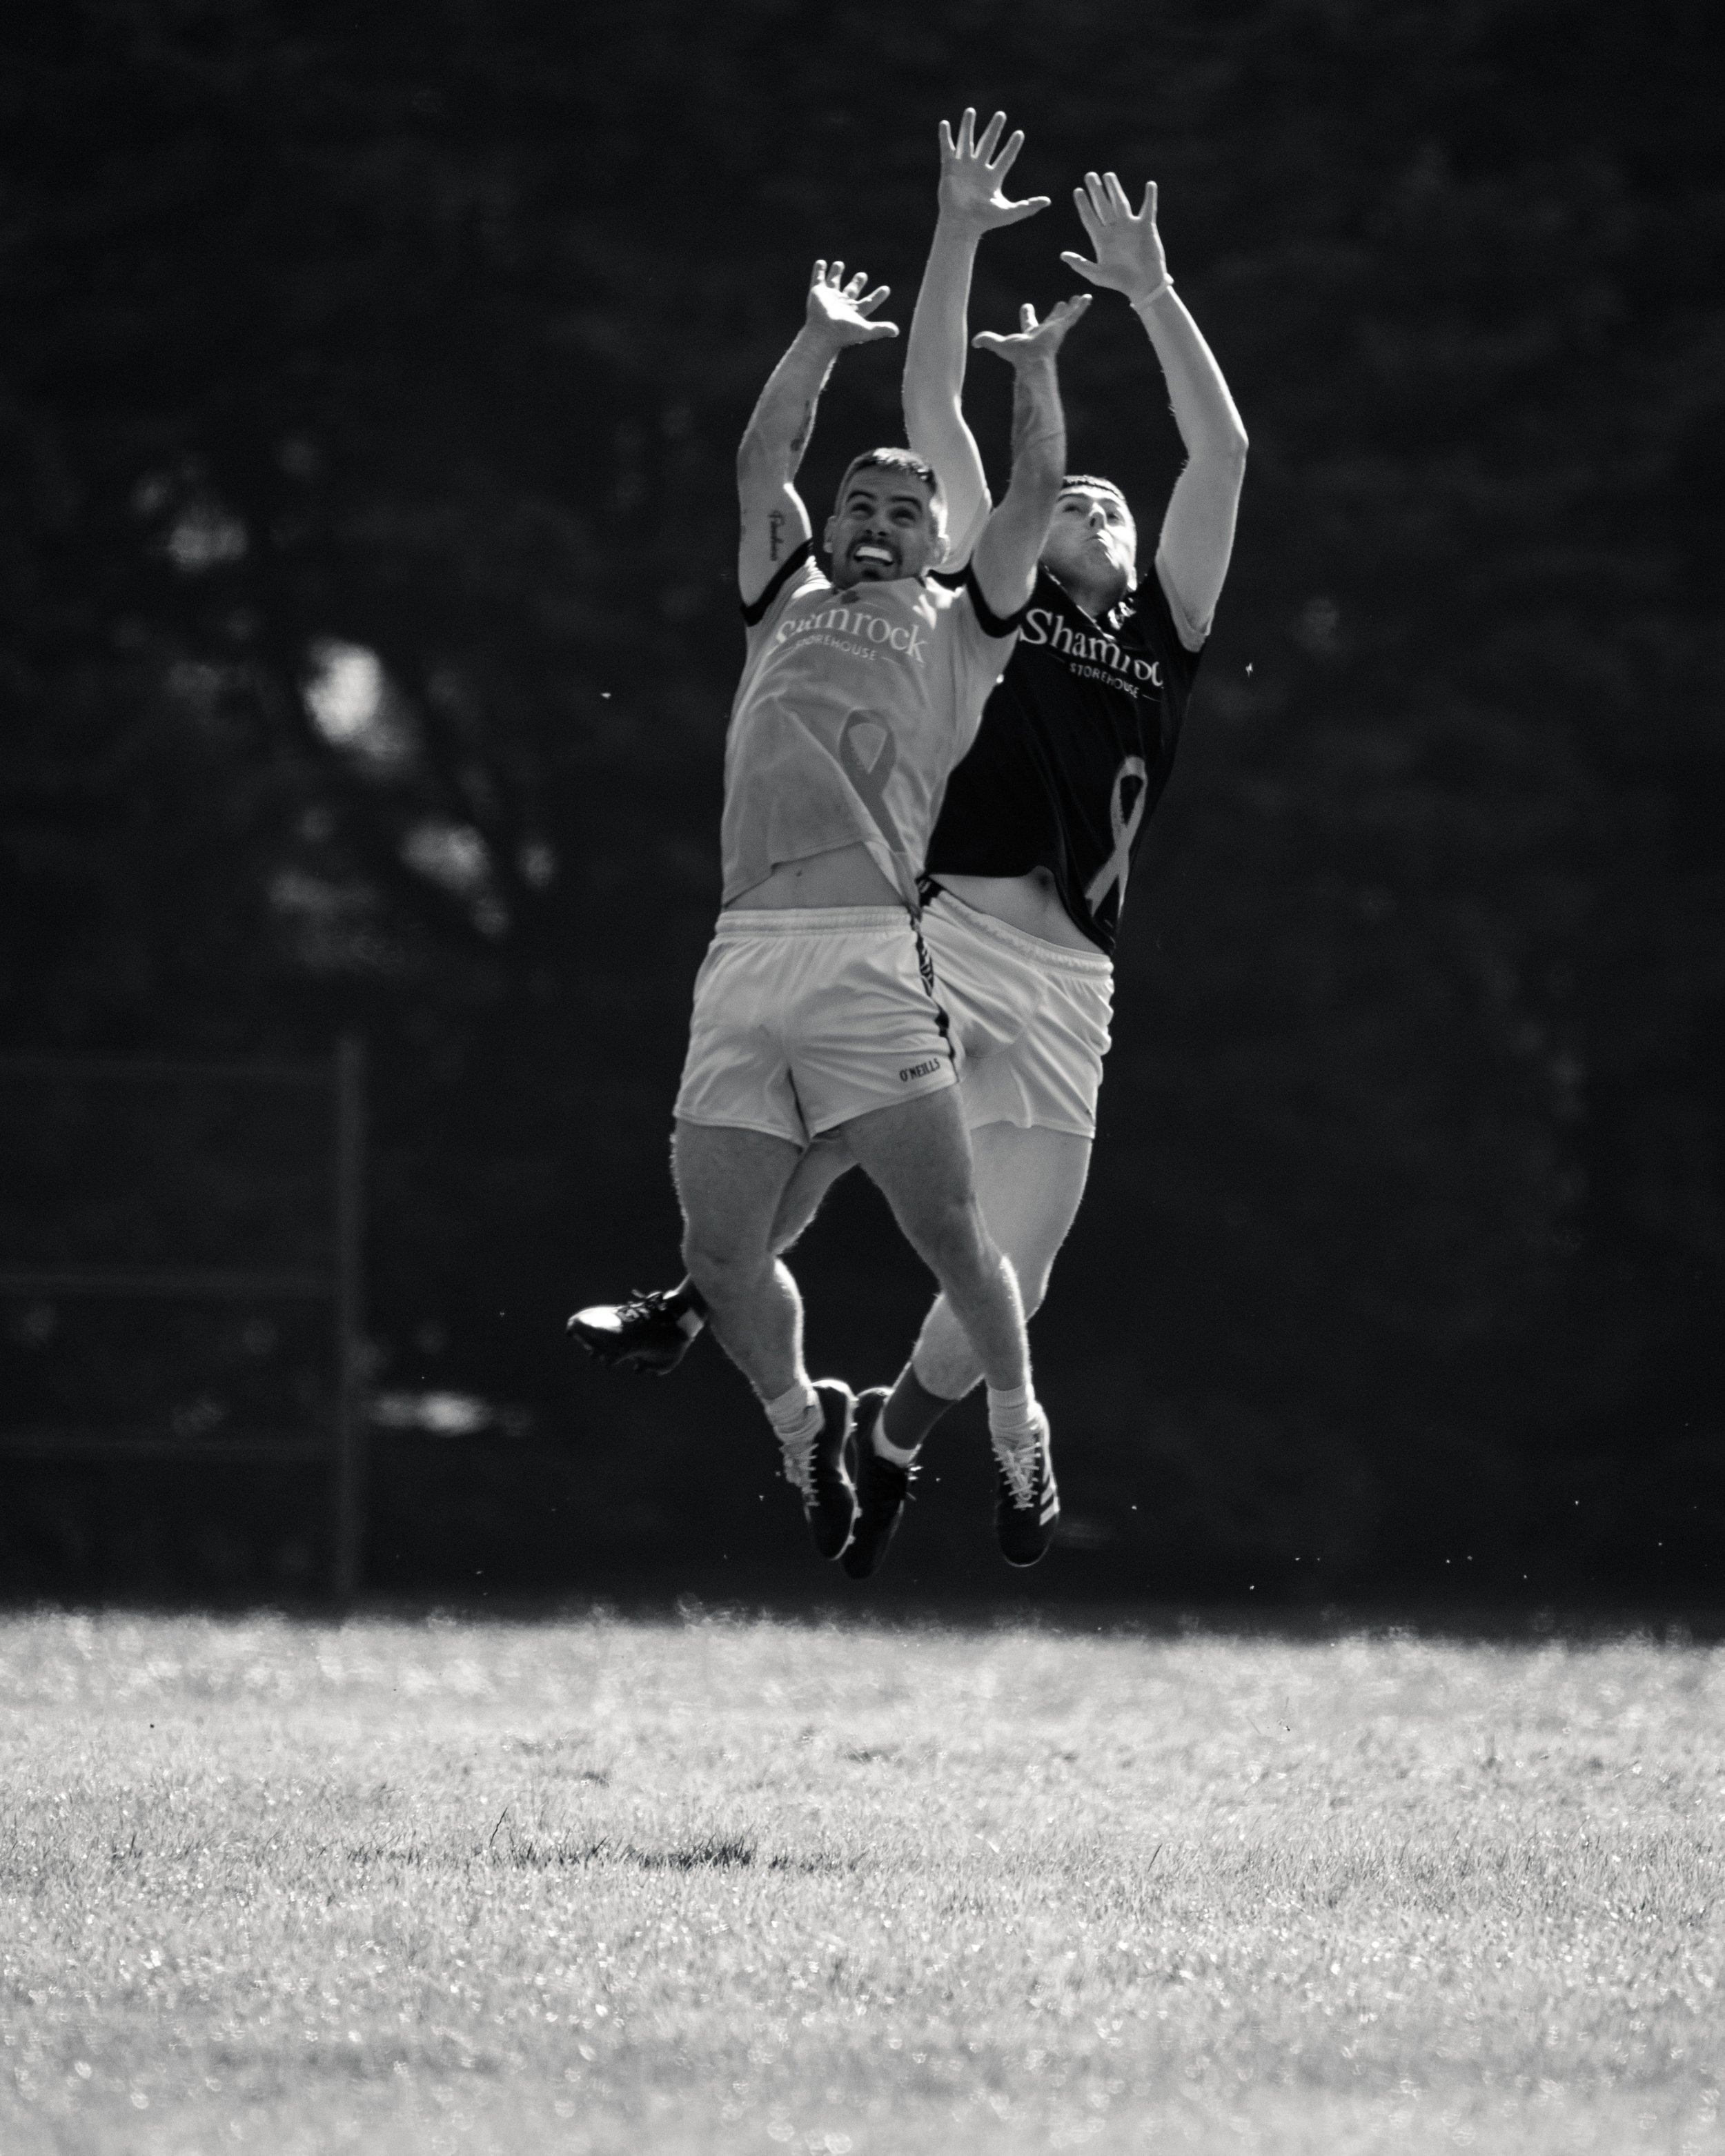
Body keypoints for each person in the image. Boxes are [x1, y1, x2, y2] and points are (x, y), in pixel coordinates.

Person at [573, 112, 1247, 1579]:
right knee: (828, 1122)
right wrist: (955, 231)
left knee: (1012, 1270)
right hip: (937, 920)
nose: (1093, 507)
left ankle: (885, 1446)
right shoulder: (969, 594)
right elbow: (936, 396)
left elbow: (1223, 449)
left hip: (1074, 980)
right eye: (1074, 494)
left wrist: (1152, 291)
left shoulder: (1167, 630)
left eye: (1110, 506)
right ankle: (699, 1297)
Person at [660, 243, 1091, 1571]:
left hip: (863, 956)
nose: (878, 524)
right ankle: (804, 1426)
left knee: (954, 1234)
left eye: (906, 514)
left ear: (935, 542)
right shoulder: (781, 594)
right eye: (861, 505)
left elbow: (1026, 494)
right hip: (741, 957)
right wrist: (818, 341)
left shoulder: (967, 627)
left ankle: (1020, 1433)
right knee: (721, 1260)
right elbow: (758, 466)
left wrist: (1036, 375)